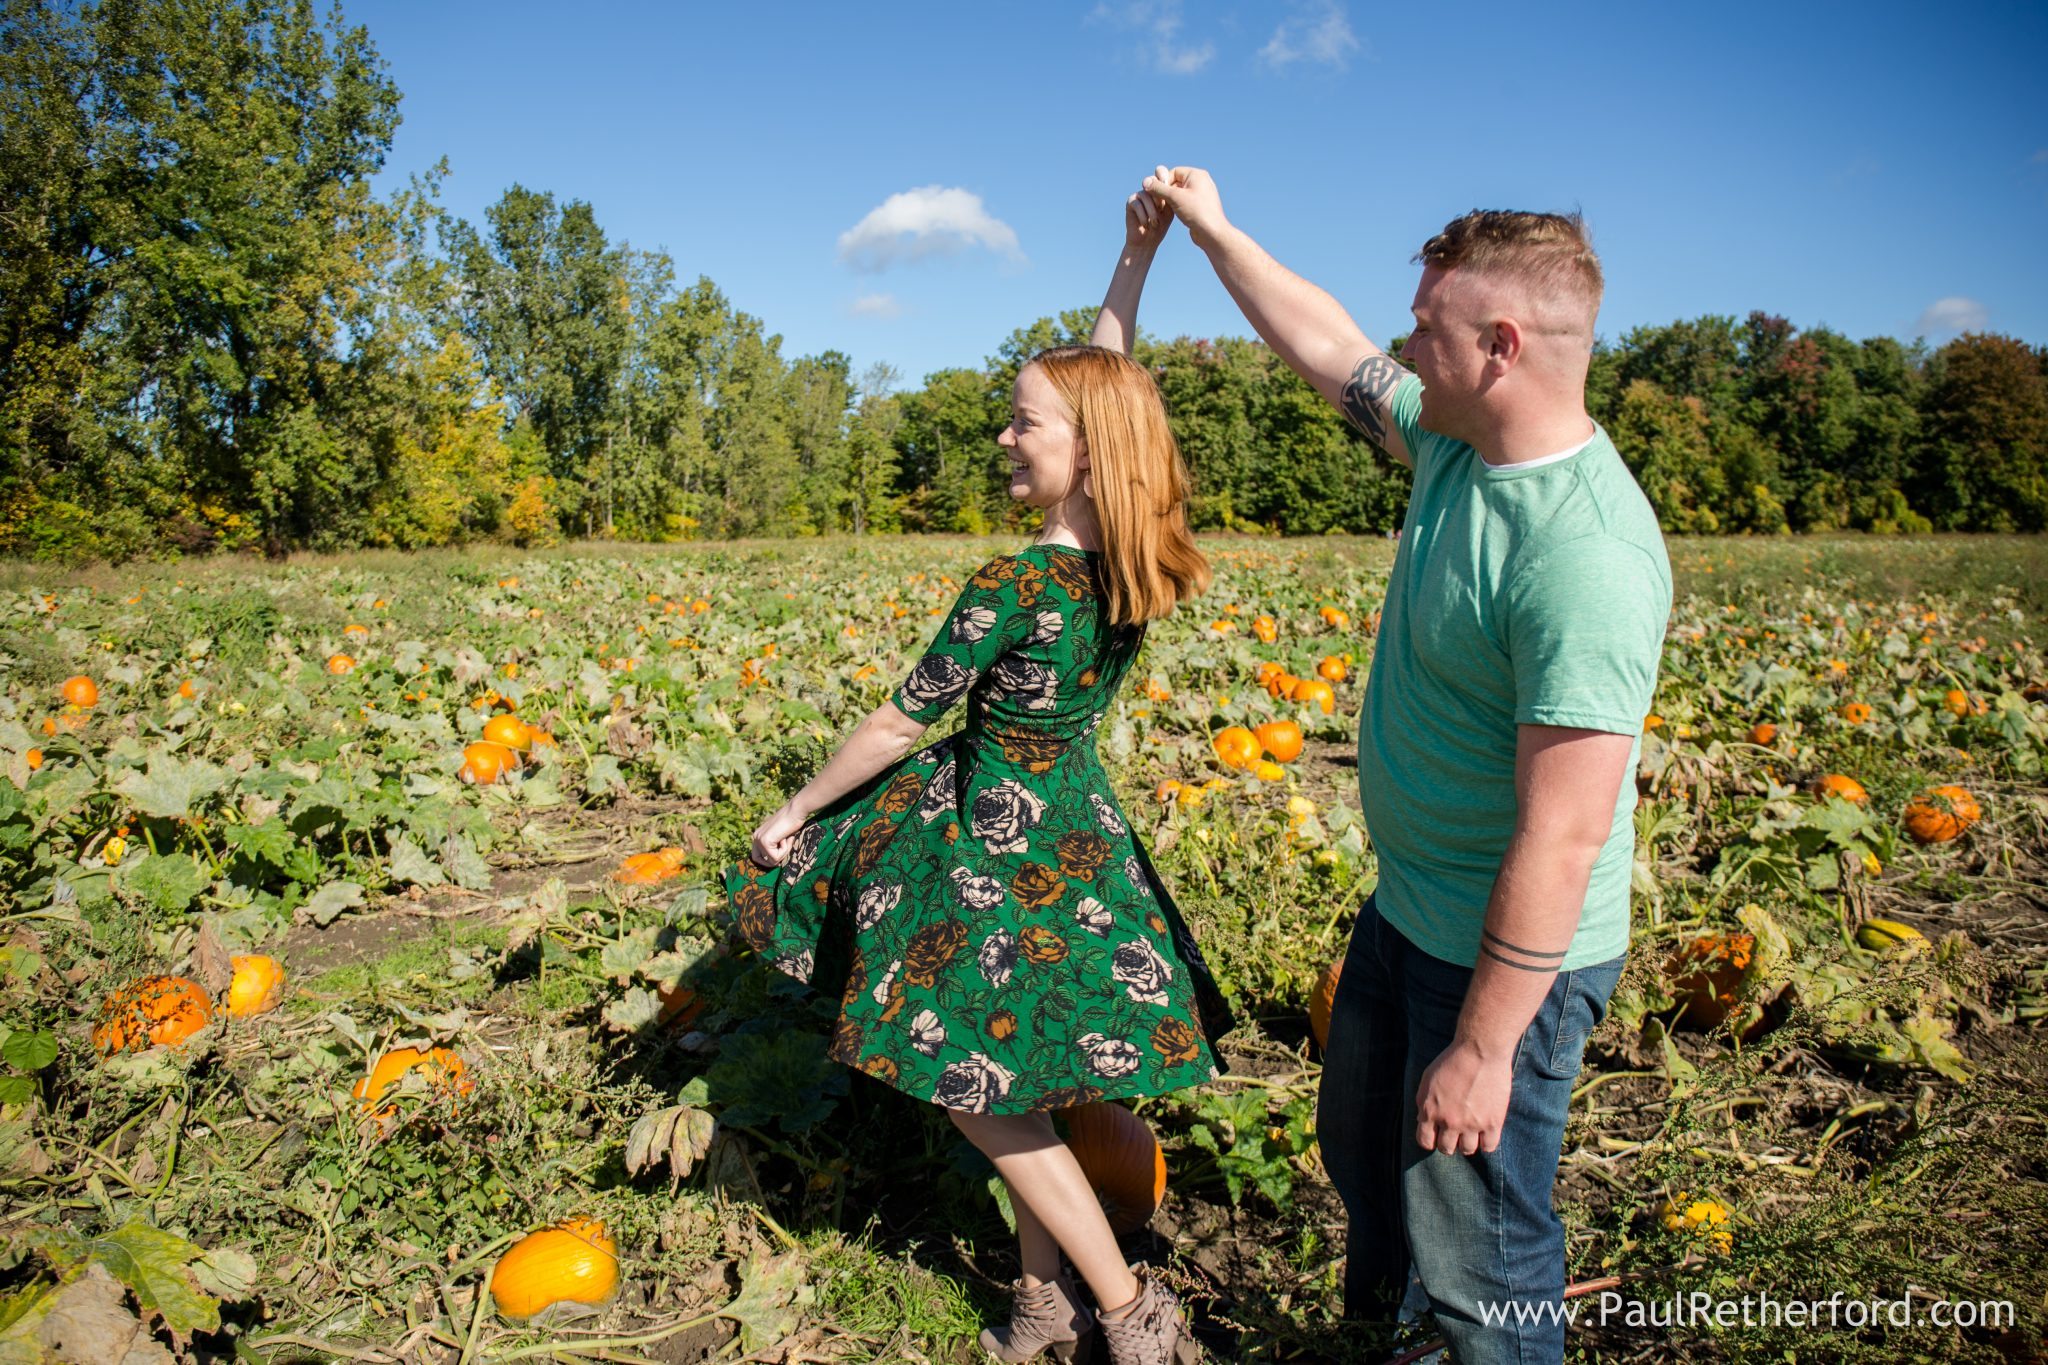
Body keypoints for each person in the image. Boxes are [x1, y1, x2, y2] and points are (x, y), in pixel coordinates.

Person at [1138, 165, 1670, 1364]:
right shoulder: (1451, 443)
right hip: (1408, 912)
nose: (1402, 345)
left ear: (1498, 345)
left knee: (1483, 1245)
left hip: (1505, 960)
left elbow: (1563, 834)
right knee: (1365, 1156)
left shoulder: (1583, 557)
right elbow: (1322, 342)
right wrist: (1213, 231)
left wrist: (1482, 1048)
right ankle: (1392, 1335)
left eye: (1426, 326)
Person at [722, 190, 1221, 1365]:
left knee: (968, 1079)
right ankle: (1041, 1304)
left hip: (986, 841)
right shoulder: (1120, 567)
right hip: (1075, 832)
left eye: (1020, 423)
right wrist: (1131, 263)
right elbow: (1106, 390)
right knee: (1017, 1072)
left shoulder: (1014, 583)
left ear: (1082, 452)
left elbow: (899, 722)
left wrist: (795, 810)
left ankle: (1128, 1311)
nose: (1004, 437)